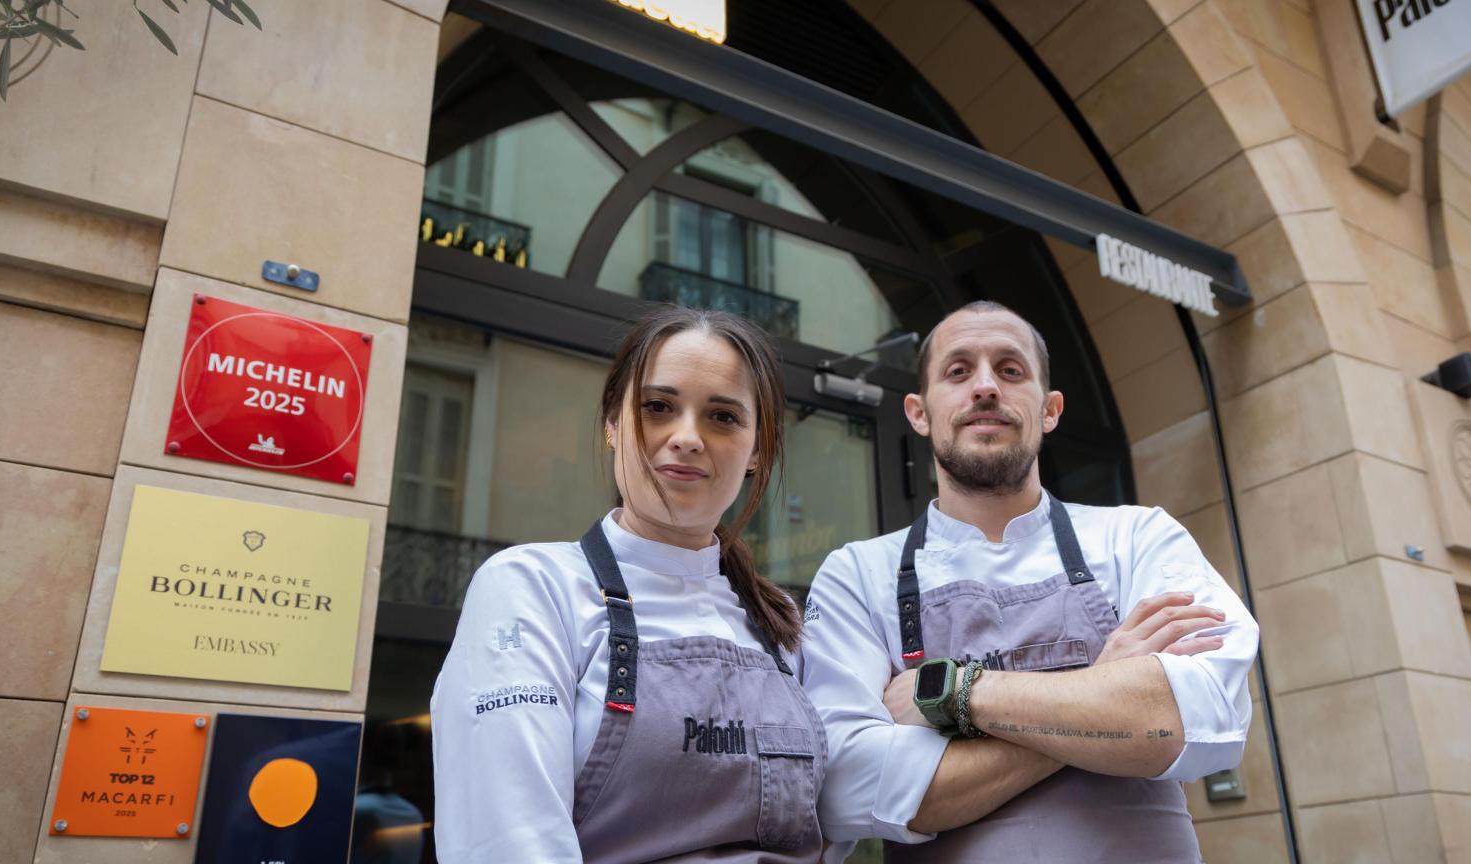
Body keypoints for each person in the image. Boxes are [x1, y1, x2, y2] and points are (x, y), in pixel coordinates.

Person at [800, 301, 1259, 862]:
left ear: (1050, 409)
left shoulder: (1139, 536)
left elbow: (1200, 717)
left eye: (1011, 370)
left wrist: (956, 696)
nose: (986, 387)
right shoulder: (857, 574)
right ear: (919, 413)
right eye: (959, 371)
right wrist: (1103, 693)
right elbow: (848, 789)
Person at [431, 306, 824, 863]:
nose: (687, 437)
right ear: (611, 425)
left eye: (723, 417)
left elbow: (844, 811)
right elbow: (509, 842)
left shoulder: (782, 621)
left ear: (758, 448)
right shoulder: (532, 588)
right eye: (657, 407)